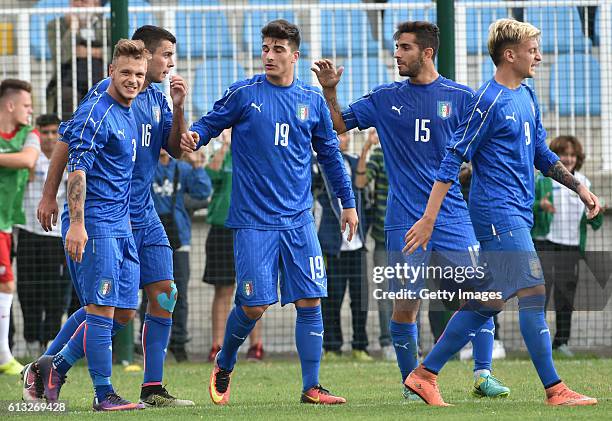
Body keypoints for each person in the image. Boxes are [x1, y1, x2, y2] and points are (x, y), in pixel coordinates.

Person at [404, 18, 600, 406]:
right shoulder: (488, 100)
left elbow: (542, 154)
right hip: (496, 212)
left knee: (490, 301)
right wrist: (429, 218)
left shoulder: (526, 96)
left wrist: (578, 186)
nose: (539, 57)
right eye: (532, 51)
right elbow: (452, 158)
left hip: (515, 211)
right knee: (532, 290)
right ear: (509, 55)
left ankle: (424, 374)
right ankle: (555, 389)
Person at [312, 20, 508, 401]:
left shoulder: (462, 97)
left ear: (428, 52)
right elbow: (337, 125)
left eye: (404, 47)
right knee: (405, 309)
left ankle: (483, 374)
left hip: (452, 216)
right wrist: (330, 92)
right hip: (403, 219)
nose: (397, 54)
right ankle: (412, 385)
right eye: (396, 46)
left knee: (484, 293)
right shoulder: (385, 97)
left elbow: (483, 149)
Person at [181, 19, 358, 405]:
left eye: (278, 49)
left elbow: (330, 157)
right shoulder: (244, 93)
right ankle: (224, 362)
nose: (270, 55)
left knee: (310, 299)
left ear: (295, 56)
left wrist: (348, 204)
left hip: (298, 221)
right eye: (266, 48)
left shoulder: (311, 101)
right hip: (254, 222)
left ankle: (311, 386)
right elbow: (209, 124)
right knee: (254, 304)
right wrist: (194, 135)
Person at [25, 26, 194, 408]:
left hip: (140, 212)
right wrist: (51, 196)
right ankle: (54, 367)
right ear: (145, 56)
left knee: (161, 295)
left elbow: (174, 150)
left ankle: (152, 388)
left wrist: (181, 108)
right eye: (166, 55)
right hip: (104, 212)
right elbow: (71, 145)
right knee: (107, 309)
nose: (170, 64)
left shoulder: (156, 97)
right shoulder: (102, 97)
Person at [40, 39, 147, 411]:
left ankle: (54, 365)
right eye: (126, 73)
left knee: (124, 311)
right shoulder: (98, 110)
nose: (132, 80)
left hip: (122, 223)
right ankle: (105, 394)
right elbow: (77, 166)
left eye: (138, 74)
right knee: (100, 308)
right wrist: (77, 223)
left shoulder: (130, 107)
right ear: (110, 73)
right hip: (95, 222)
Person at [532, 135, 603, 357]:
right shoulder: (544, 180)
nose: (569, 159)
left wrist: (597, 211)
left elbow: (595, 222)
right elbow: (529, 207)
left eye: (572, 155)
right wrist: (540, 205)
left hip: (571, 248)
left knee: (565, 295)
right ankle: (538, 341)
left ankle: (561, 342)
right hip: (545, 243)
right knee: (541, 291)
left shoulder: (584, 182)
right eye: (564, 154)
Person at [203, 129, 264, 363]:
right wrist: (225, 146)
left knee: (253, 290)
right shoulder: (222, 155)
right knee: (223, 289)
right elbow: (210, 176)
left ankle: (255, 344)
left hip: (250, 229)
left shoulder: (254, 154)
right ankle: (216, 344)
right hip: (221, 229)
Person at [148, 148, 212, 361]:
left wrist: (196, 165)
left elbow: (203, 192)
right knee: (151, 292)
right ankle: (150, 343)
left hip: (179, 239)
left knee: (179, 293)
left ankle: (179, 343)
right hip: (150, 239)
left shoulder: (183, 169)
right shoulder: (146, 165)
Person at [15, 114, 70, 357]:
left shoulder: (67, 162)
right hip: (28, 231)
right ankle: (30, 339)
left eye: (53, 133)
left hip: (55, 234)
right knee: (27, 289)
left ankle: (50, 340)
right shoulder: (30, 159)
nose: (49, 137)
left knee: (54, 291)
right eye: (44, 132)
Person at [315, 132, 370, 361]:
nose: (341, 139)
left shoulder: (353, 162)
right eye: (337, 135)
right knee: (332, 298)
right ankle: (332, 346)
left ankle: (360, 345)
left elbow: (360, 184)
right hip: (332, 244)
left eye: (344, 135)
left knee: (360, 299)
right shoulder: (317, 165)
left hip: (356, 245)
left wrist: (366, 148)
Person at [0, 79, 40, 375]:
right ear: (10, 105)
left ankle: (3, 355)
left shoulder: (30, 134)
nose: (31, 110)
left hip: (5, 222)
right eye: (27, 105)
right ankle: (3, 356)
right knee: (6, 283)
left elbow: (27, 160)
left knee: (6, 282)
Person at [354, 129, 395, 361]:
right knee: (385, 294)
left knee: (411, 290)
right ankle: (387, 342)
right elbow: (360, 181)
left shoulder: (411, 152)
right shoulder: (379, 155)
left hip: (410, 237)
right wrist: (367, 147)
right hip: (382, 236)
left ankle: (412, 341)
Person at [46, 0, 109, 120]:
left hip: (101, 77)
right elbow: (61, 55)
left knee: (105, 93)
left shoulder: (107, 24)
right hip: (68, 79)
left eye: (84, 2)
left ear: (95, 4)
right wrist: (72, 29)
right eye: (75, 1)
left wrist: (91, 52)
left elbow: (119, 51)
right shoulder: (55, 25)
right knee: (67, 96)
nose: (79, 5)